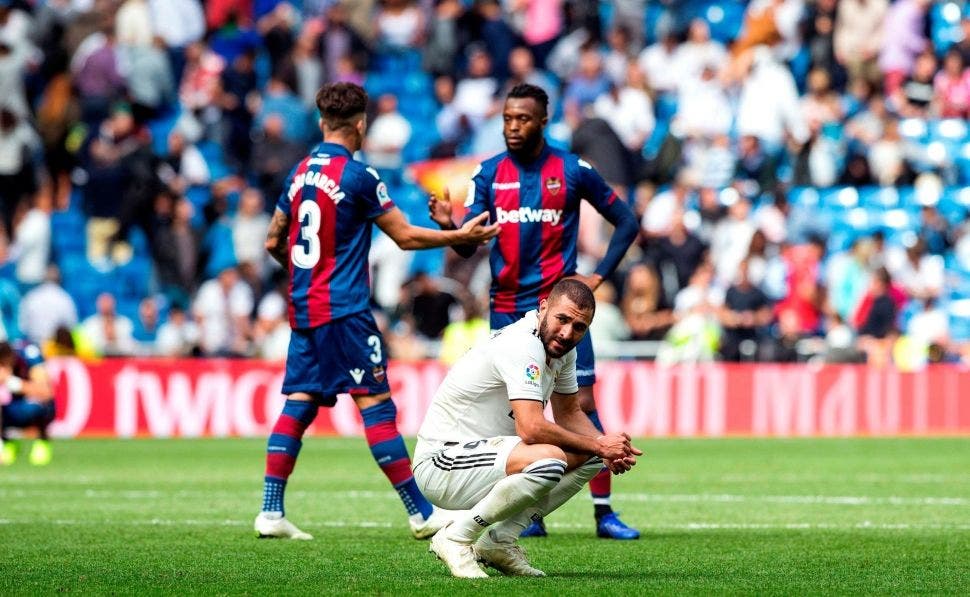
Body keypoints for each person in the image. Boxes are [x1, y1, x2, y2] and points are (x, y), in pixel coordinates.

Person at [254, 82, 499, 541]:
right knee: (376, 405)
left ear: (322, 122)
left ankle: (270, 511)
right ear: (361, 125)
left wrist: (307, 274)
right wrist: (459, 236)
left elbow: (272, 240)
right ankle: (420, 512)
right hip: (345, 309)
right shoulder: (359, 176)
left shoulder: (300, 172)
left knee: (301, 403)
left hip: (305, 307)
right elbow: (404, 236)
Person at [428, 83, 641, 539]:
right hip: (506, 307)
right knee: (515, 413)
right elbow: (471, 246)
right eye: (507, 118)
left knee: (580, 402)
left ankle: (604, 511)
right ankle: (530, 510)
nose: (512, 127)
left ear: (543, 121)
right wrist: (450, 228)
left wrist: (599, 275)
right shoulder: (487, 173)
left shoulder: (571, 169)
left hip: (559, 308)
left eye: (522, 119)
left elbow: (627, 220)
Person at [414, 280, 642, 578]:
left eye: (579, 327)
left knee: (590, 456)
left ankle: (499, 542)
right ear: (544, 306)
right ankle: (456, 537)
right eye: (562, 319)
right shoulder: (522, 344)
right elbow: (531, 428)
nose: (567, 332)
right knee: (551, 458)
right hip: (441, 463)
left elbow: (570, 412)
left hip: (488, 460)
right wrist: (599, 444)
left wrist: (606, 446)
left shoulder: (562, 350)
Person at [0, 341, 55, 466]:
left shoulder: (28, 355)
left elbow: (47, 392)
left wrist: (14, 383)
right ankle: (5, 443)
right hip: (11, 407)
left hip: (30, 404)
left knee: (42, 406)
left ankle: (42, 441)